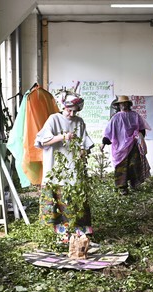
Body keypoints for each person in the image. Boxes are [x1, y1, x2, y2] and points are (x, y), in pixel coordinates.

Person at [35, 91, 94, 239]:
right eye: (69, 110)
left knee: (76, 198)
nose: (72, 114)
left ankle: (78, 231)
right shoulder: (53, 119)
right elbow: (43, 141)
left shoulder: (79, 122)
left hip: (74, 168)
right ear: (63, 107)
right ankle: (58, 233)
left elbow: (84, 143)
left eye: (75, 111)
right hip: (55, 168)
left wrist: (82, 152)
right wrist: (63, 137)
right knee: (55, 199)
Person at [101, 95, 151, 194]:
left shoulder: (135, 115)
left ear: (128, 104)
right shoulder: (116, 118)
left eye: (125, 103)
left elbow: (141, 128)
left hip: (133, 145)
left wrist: (140, 137)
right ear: (118, 105)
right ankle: (122, 187)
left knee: (134, 164)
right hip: (119, 147)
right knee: (121, 167)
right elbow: (109, 131)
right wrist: (104, 143)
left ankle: (134, 183)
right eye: (121, 103)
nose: (123, 105)